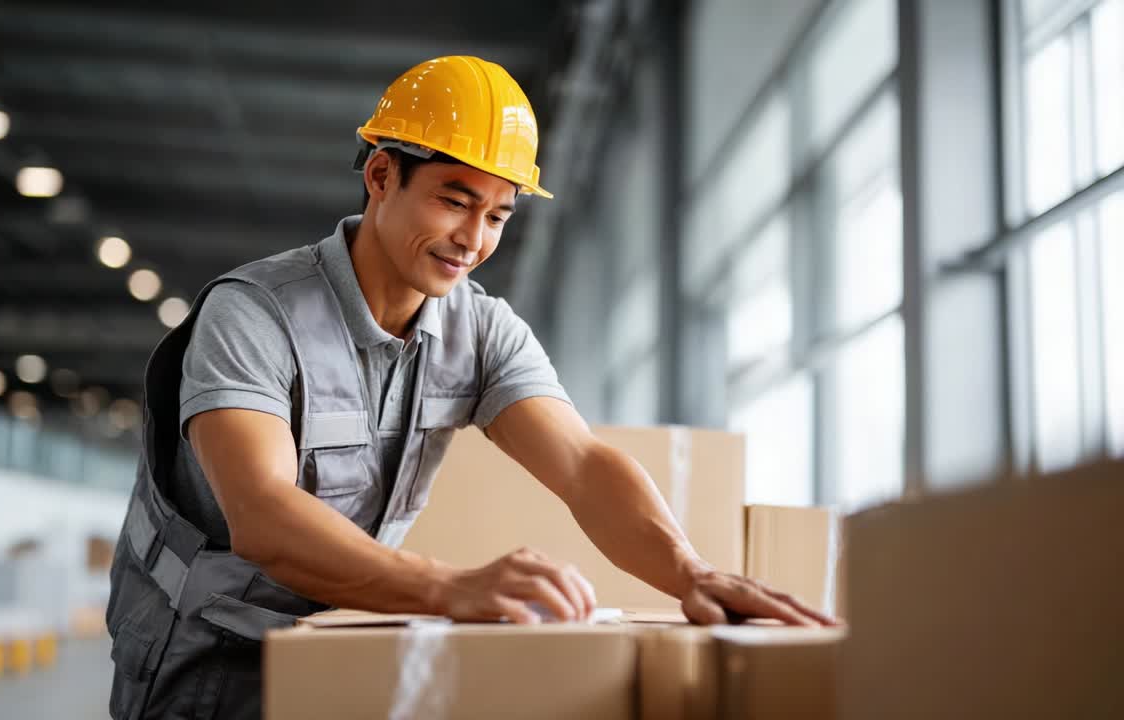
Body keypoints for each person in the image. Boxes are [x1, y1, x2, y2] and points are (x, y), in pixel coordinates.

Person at [106, 55, 834, 720]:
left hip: (338, 629)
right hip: (202, 654)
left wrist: (690, 573)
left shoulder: (480, 330)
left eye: (497, 216)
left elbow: (581, 466)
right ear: (382, 176)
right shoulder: (255, 314)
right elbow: (263, 514)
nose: (473, 239)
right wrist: (451, 589)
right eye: (455, 201)